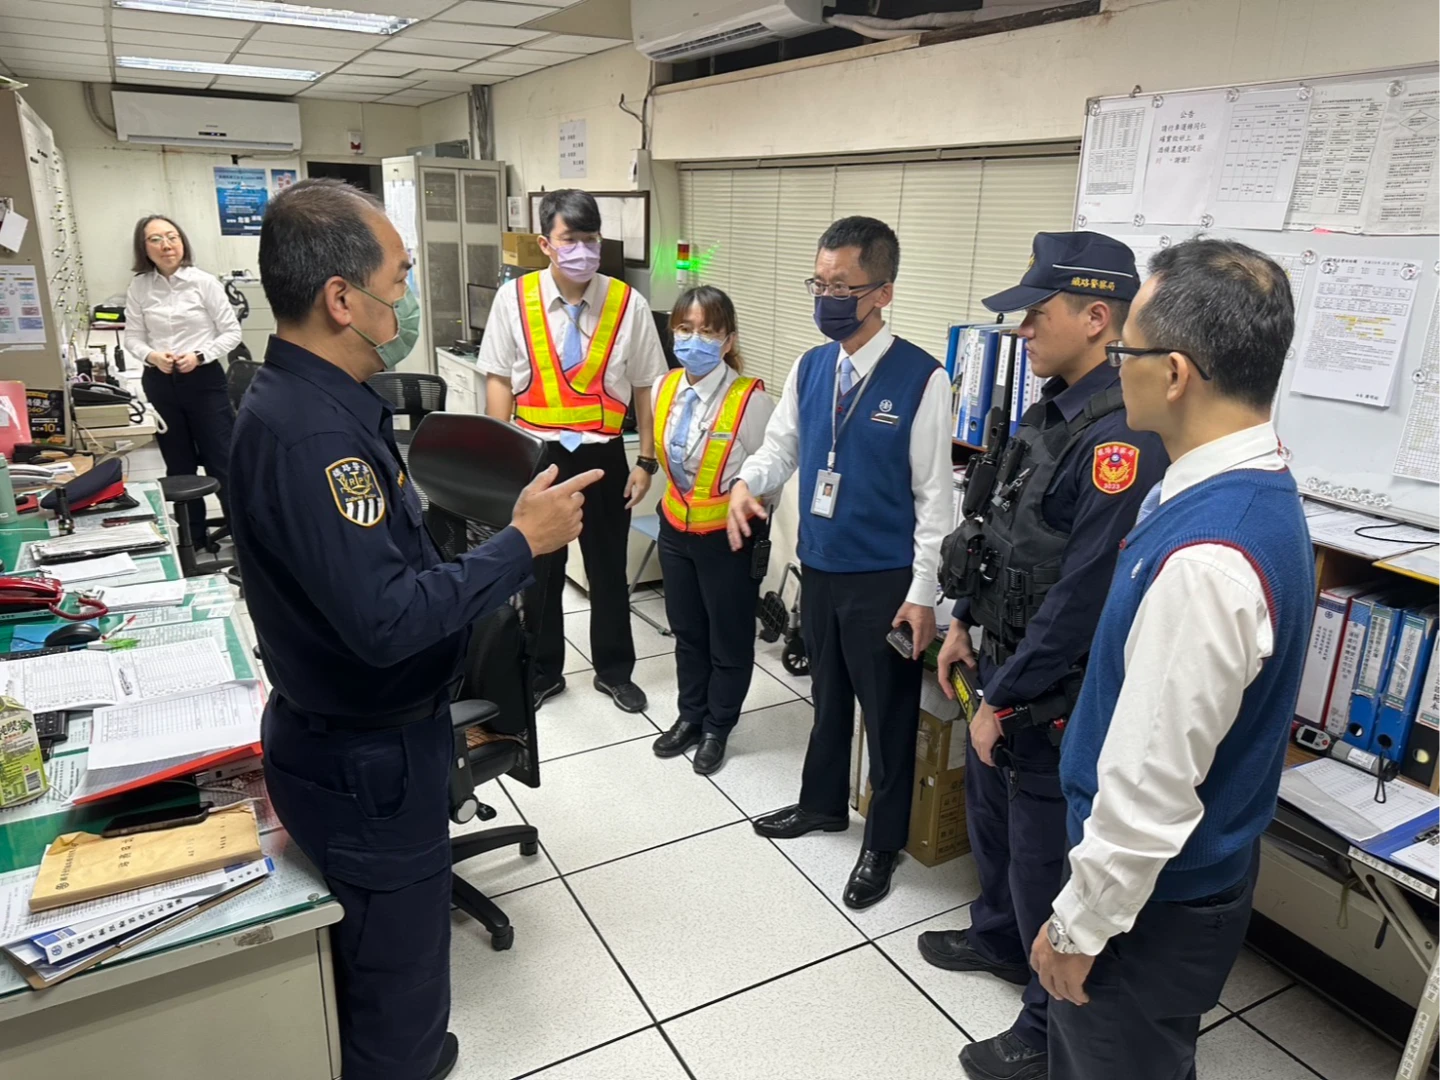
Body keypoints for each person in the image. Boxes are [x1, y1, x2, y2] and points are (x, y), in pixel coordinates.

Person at [227, 178, 602, 1080]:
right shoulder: (314, 438)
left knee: (383, 974)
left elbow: (383, 573)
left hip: (353, 744)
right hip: (368, 761)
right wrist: (522, 544)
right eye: (397, 277)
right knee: (395, 1005)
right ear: (340, 298)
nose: (407, 297)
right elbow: (388, 622)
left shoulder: (313, 403)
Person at [1034, 239, 1313, 1080]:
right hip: (1187, 884)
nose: (1117, 365)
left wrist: (1079, 927)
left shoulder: (1207, 560)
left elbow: (1150, 788)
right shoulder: (1243, 487)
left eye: (1127, 349)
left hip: (1146, 909)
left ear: (1177, 372)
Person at [919, 232, 1168, 1080]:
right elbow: (994, 528)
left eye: (1038, 313)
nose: (1023, 331)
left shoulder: (1121, 440)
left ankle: (1041, 1026)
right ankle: (998, 940)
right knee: (991, 828)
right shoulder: (1046, 408)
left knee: (1041, 861)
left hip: (1047, 691)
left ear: (1098, 318)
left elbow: (1081, 599)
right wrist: (958, 620)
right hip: (994, 657)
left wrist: (1003, 698)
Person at [728, 216, 952, 910]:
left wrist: (921, 593)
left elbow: (935, 500)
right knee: (826, 700)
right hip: (821, 567)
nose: (825, 298)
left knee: (886, 718)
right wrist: (748, 480)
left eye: (841, 286)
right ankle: (821, 805)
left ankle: (882, 842)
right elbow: (784, 447)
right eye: (818, 284)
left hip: (884, 581)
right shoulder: (811, 366)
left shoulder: (922, 378)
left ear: (882, 291)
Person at [478, 189, 669, 715]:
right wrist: (500, 463)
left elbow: (648, 385)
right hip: (536, 453)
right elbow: (497, 378)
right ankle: (542, 671)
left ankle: (614, 671)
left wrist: (646, 460)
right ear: (546, 243)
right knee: (538, 568)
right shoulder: (513, 300)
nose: (583, 250)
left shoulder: (627, 303)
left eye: (591, 239)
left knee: (608, 568)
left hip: (604, 455)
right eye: (571, 239)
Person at [650, 286, 775, 776]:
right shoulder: (664, 388)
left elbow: (771, 476)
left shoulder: (750, 400)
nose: (694, 340)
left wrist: (752, 524)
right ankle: (690, 715)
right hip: (675, 529)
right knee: (687, 631)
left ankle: (719, 727)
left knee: (728, 637)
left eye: (707, 331)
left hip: (729, 539)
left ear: (728, 340)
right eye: (685, 330)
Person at [123, 214, 241, 547]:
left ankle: (242, 533)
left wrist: (200, 355)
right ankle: (193, 537)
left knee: (223, 460)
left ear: (182, 241)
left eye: (172, 236)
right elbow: (132, 337)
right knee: (178, 464)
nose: (166, 245)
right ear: (144, 248)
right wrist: (152, 356)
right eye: (156, 239)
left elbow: (231, 332)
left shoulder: (203, 282)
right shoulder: (139, 286)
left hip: (204, 380)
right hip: (161, 382)